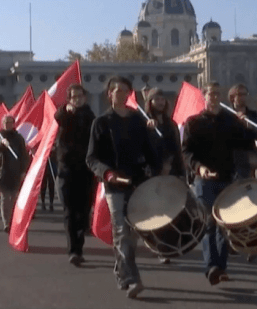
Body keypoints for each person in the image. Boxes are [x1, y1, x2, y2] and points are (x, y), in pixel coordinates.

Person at [86, 76, 160, 299]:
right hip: (114, 186)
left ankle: (121, 269)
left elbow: (151, 153)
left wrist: (157, 165)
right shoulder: (101, 122)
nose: (120, 94)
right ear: (109, 94)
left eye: (125, 90)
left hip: (136, 183)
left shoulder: (138, 120)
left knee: (132, 233)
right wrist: (107, 173)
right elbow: (91, 158)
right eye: (116, 90)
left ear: (129, 93)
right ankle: (132, 279)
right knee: (120, 230)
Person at [182, 81, 255, 286]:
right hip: (204, 181)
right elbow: (186, 152)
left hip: (226, 178)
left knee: (224, 225)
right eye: (210, 94)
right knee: (209, 225)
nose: (214, 98)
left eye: (217, 94)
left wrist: (245, 127)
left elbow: (245, 144)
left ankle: (221, 267)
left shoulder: (229, 120)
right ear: (203, 97)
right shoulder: (194, 123)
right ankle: (211, 267)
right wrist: (199, 168)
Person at [54, 84, 96, 267]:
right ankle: (74, 250)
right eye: (74, 97)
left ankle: (79, 244)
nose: (77, 99)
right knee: (70, 211)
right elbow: (58, 117)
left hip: (86, 169)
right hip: (67, 169)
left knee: (84, 211)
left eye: (80, 96)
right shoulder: (65, 114)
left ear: (85, 98)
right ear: (69, 99)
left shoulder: (90, 116)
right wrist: (65, 109)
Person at [144, 87, 185, 264]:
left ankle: (167, 247)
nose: (160, 102)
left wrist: (180, 173)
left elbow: (177, 149)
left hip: (172, 173)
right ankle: (160, 247)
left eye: (162, 99)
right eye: (156, 100)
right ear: (150, 102)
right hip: (152, 175)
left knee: (171, 212)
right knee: (156, 212)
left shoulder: (171, 124)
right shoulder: (145, 123)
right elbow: (143, 150)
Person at [0, 115, 30, 233]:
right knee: (4, 199)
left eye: (9, 122)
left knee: (13, 198)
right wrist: (2, 143)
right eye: (5, 122)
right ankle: (6, 223)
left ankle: (13, 220)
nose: (7, 124)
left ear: (13, 123)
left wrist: (23, 170)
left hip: (15, 172)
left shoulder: (18, 138)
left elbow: (24, 156)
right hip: (2, 173)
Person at [228, 84, 257, 180]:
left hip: (247, 160)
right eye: (240, 94)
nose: (243, 97)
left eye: (245, 94)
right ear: (232, 98)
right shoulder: (226, 114)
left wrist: (250, 127)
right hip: (229, 160)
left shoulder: (253, 115)